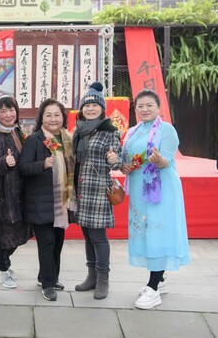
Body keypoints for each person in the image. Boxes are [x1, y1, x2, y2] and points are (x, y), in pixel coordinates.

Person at [121, 89, 190, 309]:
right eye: (140, 106)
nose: (144, 109)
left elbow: (166, 161)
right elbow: (128, 161)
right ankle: (159, 280)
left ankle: (152, 289)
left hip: (161, 191)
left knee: (158, 232)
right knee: (146, 232)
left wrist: (159, 160)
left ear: (158, 107)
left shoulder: (167, 130)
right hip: (140, 191)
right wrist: (121, 165)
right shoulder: (132, 131)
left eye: (149, 105)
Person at [18, 98, 74, 301]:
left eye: (57, 115)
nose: (53, 119)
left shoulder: (66, 139)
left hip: (61, 202)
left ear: (63, 117)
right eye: (48, 115)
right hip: (40, 202)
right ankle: (48, 285)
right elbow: (23, 167)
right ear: (41, 117)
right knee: (47, 243)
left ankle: (47, 277)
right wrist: (42, 164)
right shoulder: (35, 139)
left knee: (58, 242)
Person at [72, 82, 122, 300]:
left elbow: (118, 160)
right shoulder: (79, 130)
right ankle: (91, 276)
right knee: (87, 236)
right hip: (80, 190)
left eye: (95, 105)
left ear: (102, 108)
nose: (90, 108)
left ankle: (103, 280)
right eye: (87, 105)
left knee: (98, 237)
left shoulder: (110, 131)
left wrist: (114, 159)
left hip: (98, 192)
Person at [0, 95, 33, 289]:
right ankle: (3, 269)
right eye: (3, 111)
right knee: (3, 233)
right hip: (2, 195)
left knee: (20, 231)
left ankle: (5, 263)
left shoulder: (18, 132)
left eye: (11, 110)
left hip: (21, 192)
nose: (8, 114)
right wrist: (4, 163)